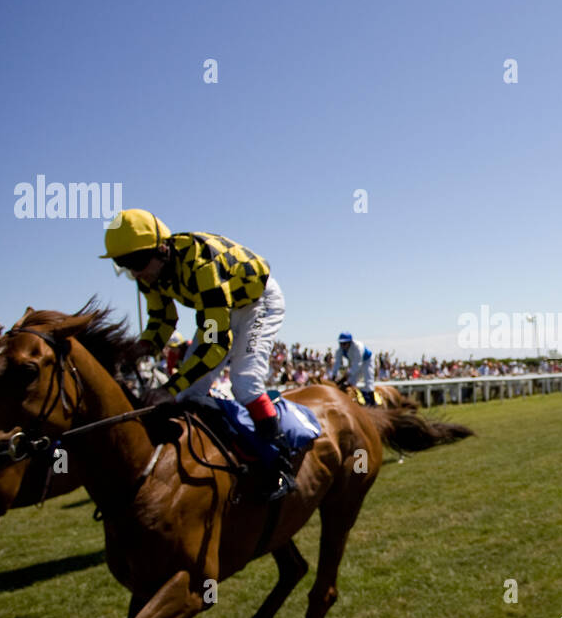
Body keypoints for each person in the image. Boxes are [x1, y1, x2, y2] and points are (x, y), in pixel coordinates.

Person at [101, 208, 301, 501]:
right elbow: (162, 321)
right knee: (188, 394)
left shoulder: (201, 264)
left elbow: (215, 344)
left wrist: (168, 388)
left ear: (162, 249)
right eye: (124, 264)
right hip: (221, 307)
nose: (135, 272)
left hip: (258, 302)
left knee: (244, 381)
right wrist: (138, 349)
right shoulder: (149, 274)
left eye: (137, 262)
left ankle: (280, 463)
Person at [332, 332, 376, 405]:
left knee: (368, 380)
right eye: (341, 343)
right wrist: (333, 376)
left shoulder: (358, 347)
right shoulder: (339, 350)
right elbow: (337, 363)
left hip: (367, 361)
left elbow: (357, 364)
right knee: (350, 382)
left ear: (350, 342)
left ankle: (372, 403)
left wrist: (347, 375)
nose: (342, 345)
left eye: (344, 343)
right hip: (355, 363)